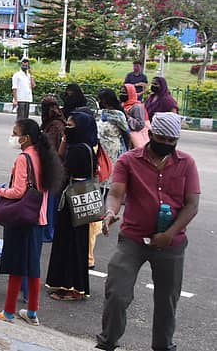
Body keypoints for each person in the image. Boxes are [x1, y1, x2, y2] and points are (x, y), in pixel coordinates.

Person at [96, 112, 200, 351]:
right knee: (117, 293)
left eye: (171, 141)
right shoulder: (129, 160)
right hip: (132, 239)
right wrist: (110, 213)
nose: (166, 145)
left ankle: (163, 347)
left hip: (171, 244)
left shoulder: (187, 163)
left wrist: (170, 234)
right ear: (150, 135)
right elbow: (115, 194)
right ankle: (108, 343)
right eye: (161, 138)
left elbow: (192, 204)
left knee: (167, 301)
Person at [0, 119, 62, 326]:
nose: (13, 137)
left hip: (22, 218)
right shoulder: (43, 155)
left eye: (15, 133)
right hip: (38, 217)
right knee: (33, 266)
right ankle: (32, 312)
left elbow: (18, 191)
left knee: (16, 265)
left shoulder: (24, 158)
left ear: (25, 138)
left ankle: (8, 312)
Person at [46, 111, 98, 301]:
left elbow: (63, 166)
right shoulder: (85, 147)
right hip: (79, 200)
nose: (67, 128)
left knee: (72, 244)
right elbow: (61, 155)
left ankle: (72, 288)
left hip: (74, 201)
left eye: (70, 125)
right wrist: (65, 139)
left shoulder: (79, 151)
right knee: (72, 242)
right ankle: (69, 284)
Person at [90, 88, 131, 269]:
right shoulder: (103, 113)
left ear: (106, 100)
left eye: (101, 99)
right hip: (101, 151)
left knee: (109, 184)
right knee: (99, 182)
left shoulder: (118, 115)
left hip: (113, 152)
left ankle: (106, 215)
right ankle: (98, 216)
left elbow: (127, 134)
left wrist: (126, 154)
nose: (99, 102)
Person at [39, 96, 66, 242]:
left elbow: (52, 149)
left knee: (49, 202)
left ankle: (48, 232)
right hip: (55, 167)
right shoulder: (56, 122)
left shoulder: (55, 126)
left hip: (53, 168)